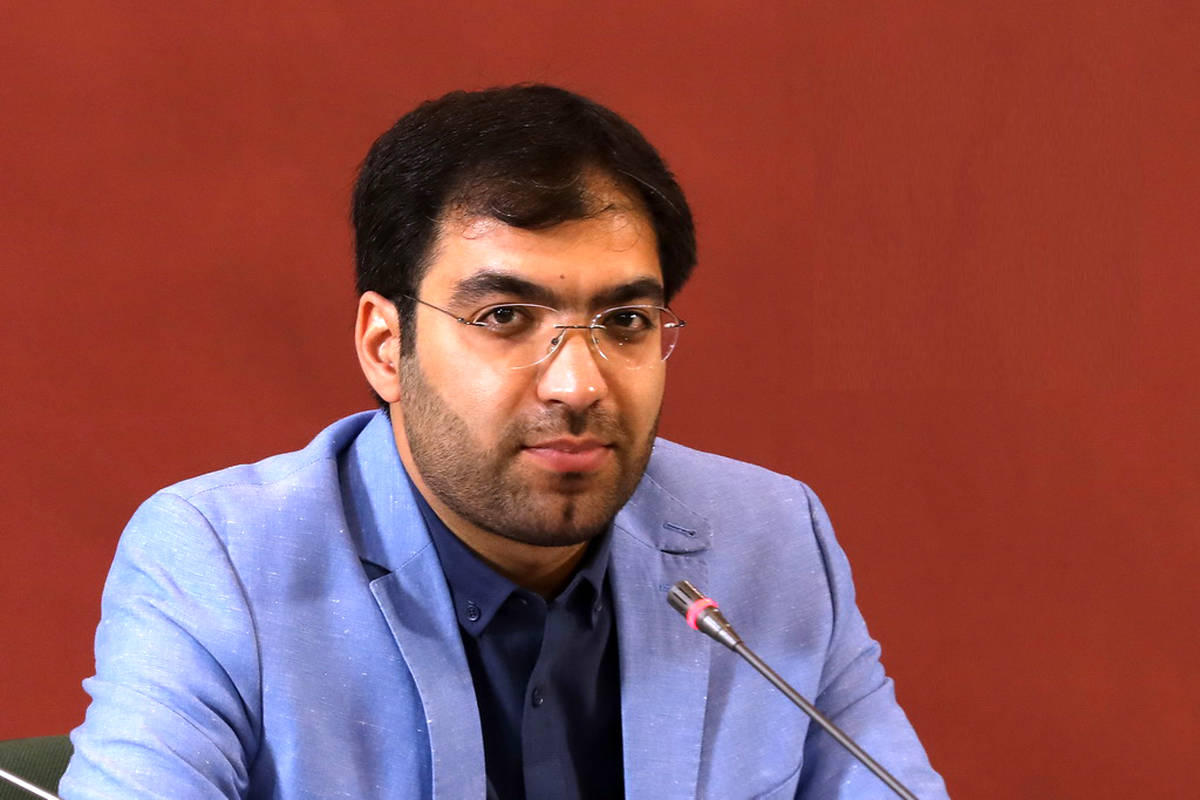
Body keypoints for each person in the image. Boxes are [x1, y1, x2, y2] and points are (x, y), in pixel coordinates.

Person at [60, 85, 949, 799]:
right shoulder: (222, 563)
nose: (578, 384)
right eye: (505, 318)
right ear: (386, 347)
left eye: (625, 322)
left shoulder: (771, 541)